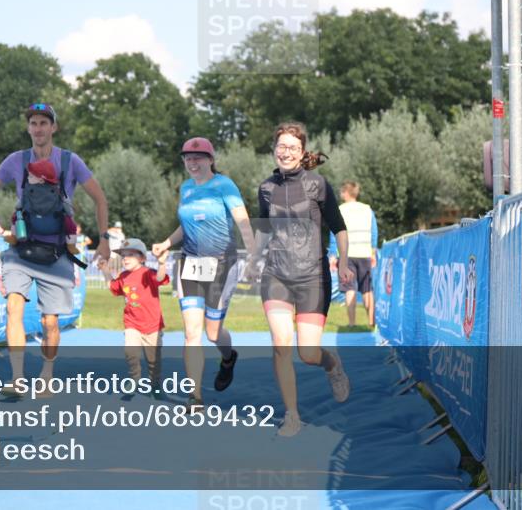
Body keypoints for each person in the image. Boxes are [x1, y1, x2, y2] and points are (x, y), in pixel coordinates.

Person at [0, 103, 111, 395]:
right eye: (34, 123)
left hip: (57, 252)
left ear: (53, 127)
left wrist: (104, 239)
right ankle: (17, 378)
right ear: (28, 128)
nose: (38, 128)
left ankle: (47, 374)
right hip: (22, 249)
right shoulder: (16, 160)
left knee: (49, 322)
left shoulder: (71, 161)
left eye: (44, 123)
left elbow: (100, 199)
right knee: (13, 306)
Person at [247, 121, 353, 437]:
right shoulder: (266, 188)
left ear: (302, 152)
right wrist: (253, 260)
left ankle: (332, 366)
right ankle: (292, 415)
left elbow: (339, 227)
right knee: (281, 345)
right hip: (276, 274)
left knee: (307, 353)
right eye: (282, 146)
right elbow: (264, 228)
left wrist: (343, 262)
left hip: (312, 276)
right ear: (274, 150)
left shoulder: (318, 185)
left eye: (293, 147)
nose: (286, 152)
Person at [152, 137, 256, 412]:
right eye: (187, 157)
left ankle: (229, 357)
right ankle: (195, 396)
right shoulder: (185, 188)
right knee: (191, 333)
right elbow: (185, 225)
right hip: (190, 262)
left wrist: (254, 255)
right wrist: (166, 242)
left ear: (210, 160)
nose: (192, 162)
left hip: (222, 264)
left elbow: (243, 222)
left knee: (212, 332)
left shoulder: (224, 185)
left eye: (198, 157)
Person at [98, 238, 169, 397]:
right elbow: (113, 288)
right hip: (132, 324)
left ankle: (155, 382)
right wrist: (105, 271)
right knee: (130, 351)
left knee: (154, 361)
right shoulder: (123, 276)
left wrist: (162, 264)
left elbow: (160, 278)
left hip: (152, 325)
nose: (126, 258)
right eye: (123, 255)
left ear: (142, 258)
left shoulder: (148, 273)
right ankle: (134, 377)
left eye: (131, 254)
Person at [333, 181, 379, 328]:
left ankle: (352, 323)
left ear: (346, 193)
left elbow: (335, 232)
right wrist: (373, 251)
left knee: (349, 289)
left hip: (346, 256)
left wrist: (333, 255)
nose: (340, 194)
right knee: (367, 289)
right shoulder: (367, 210)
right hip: (364, 254)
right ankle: (371, 321)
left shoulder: (340, 210)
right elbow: (374, 232)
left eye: (342, 192)